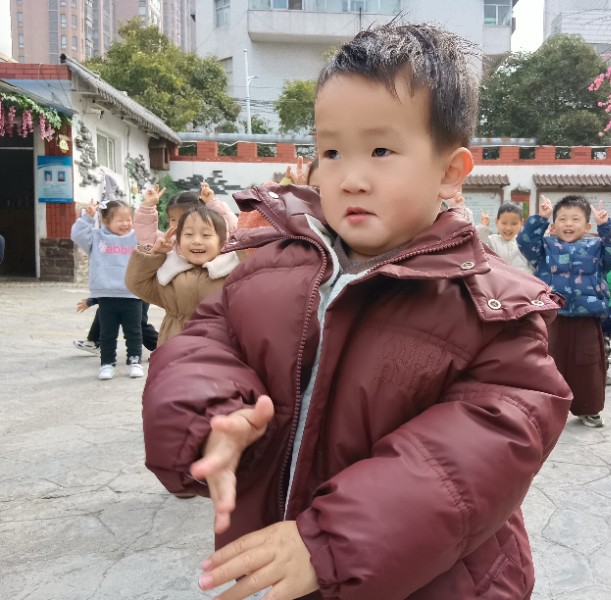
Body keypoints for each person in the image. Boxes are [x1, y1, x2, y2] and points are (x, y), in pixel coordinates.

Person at [142, 23, 572, 600]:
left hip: (426, 581)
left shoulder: (491, 306)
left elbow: (481, 451)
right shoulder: (273, 264)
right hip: (277, 567)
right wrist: (209, 420)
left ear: (450, 171)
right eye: (331, 152)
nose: (350, 178)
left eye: (381, 150)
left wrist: (329, 542)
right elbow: (202, 341)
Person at [518, 195, 611, 427]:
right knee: (548, 363)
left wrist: (606, 225)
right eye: (562, 219)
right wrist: (540, 218)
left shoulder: (598, 248)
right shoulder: (545, 248)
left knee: (588, 364)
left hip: (587, 318)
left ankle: (588, 408)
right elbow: (525, 242)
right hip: (552, 318)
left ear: (587, 226)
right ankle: (545, 408)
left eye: (575, 219)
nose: (568, 224)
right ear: (554, 224)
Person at [125, 206, 239, 345]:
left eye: (206, 235)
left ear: (222, 242)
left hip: (219, 350)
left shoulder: (233, 274)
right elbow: (136, 283)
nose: (196, 241)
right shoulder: (170, 273)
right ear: (178, 241)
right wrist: (155, 254)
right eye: (189, 234)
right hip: (174, 350)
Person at [70, 200, 143, 380]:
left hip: (132, 294)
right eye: (120, 220)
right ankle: (107, 363)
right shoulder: (97, 238)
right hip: (106, 295)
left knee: (134, 332)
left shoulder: (136, 238)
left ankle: (134, 361)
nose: (126, 224)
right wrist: (87, 218)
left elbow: (153, 236)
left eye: (129, 219)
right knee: (107, 334)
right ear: (106, 221)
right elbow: (77, 235)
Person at [478, 202, 532, 273]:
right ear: (497, 222)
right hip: (497, 279)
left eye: (514, 224)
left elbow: (532, 266)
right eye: (504, 223)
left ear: (521, 223)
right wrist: (483, 226)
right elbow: (479, 244)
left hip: (519, 279)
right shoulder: (492, 241)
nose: (508, 228)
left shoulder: (524, 243)